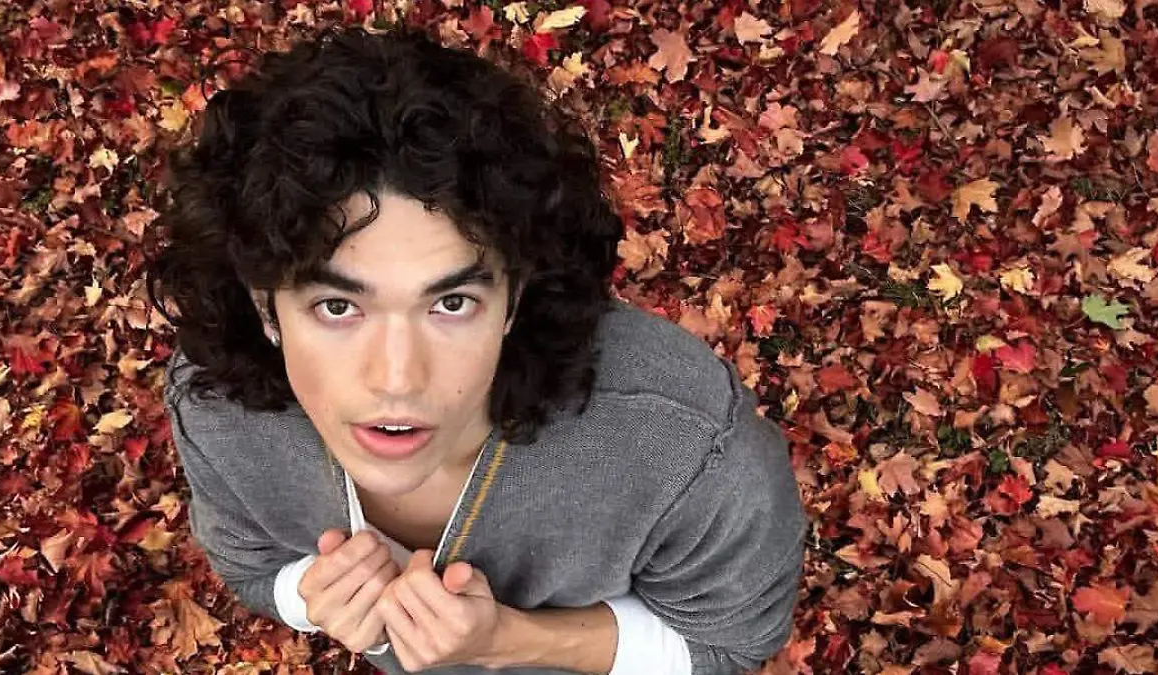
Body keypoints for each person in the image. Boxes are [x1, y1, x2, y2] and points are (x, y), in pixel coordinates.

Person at [146, 24, 807, 675]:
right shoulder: (219, 409)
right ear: (266, 308)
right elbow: (251, 563)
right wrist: (306, 596)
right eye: (338, 307)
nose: (398, 379)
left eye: (452, 303)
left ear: (513, 297)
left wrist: (510, 640)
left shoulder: (683, 445)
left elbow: (728, 644)